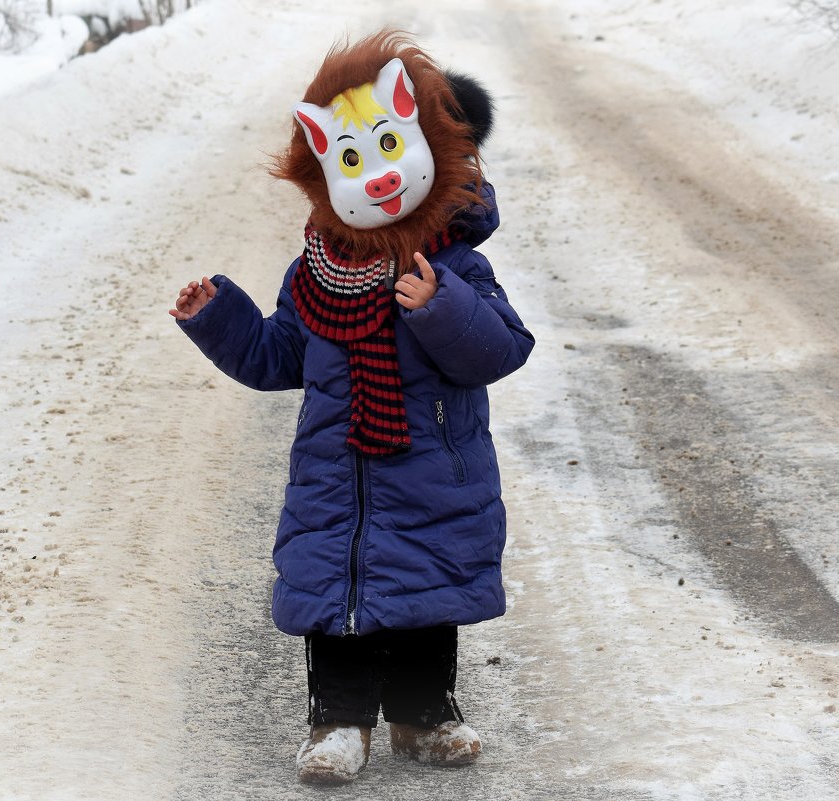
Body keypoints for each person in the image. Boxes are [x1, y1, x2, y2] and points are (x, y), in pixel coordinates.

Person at [169, 30, 534, 785]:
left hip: (432, 472)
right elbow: (279, 357)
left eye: (390, 151)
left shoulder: (455, 264)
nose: (374, 181)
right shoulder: (316, 272)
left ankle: (424, 714)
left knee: (426, 600)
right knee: (336, 604)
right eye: (352, 160)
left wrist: (441, 307)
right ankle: (337, 722)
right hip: (335, 479)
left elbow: (500, 348)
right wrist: (219, 317)